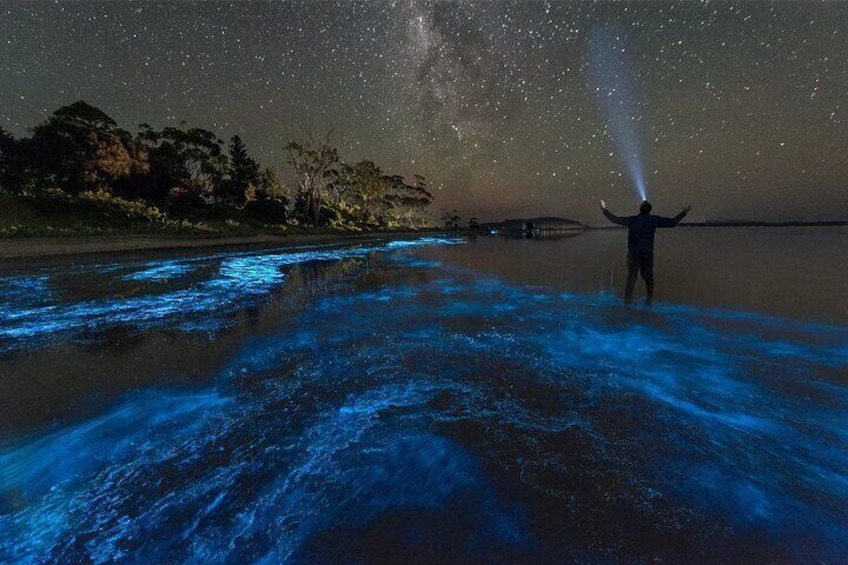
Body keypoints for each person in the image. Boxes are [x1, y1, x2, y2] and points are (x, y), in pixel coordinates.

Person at [600, 199, 691, 305]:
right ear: (649, 210)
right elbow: (672, 222)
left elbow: (615, 219)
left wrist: (604, 210)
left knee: (631, 277)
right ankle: (649, 298)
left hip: (634, 253)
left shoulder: (633, 220)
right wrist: (684, 212)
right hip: (647, 253)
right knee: (648, 278)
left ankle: (628, 299)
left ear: (640, 209)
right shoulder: (653, 220)